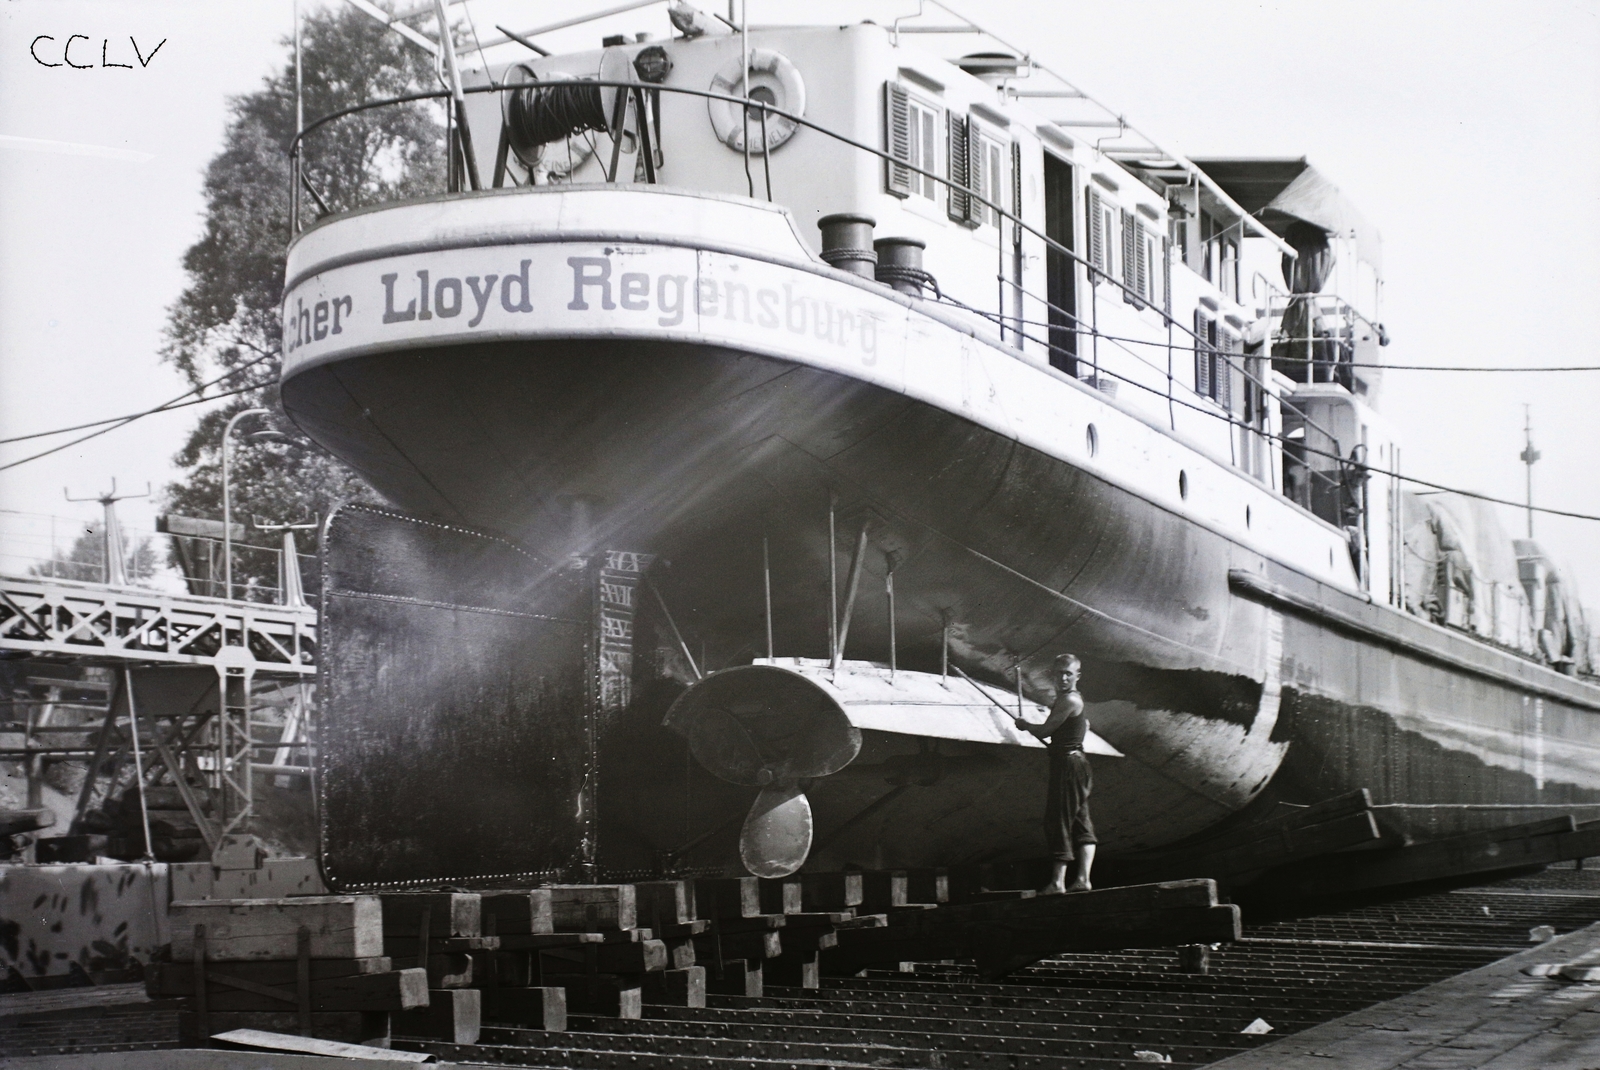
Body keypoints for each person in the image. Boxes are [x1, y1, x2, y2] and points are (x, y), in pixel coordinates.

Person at [1013, 653, 1096, 893]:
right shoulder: (1072, 699)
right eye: (1059, 673)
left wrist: (1026, 725)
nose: (1063, 678)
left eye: (1068, 673)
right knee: (1081, 822)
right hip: (1078, 764)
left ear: (1077, 676)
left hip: (1068, 767)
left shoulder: (1069, 700)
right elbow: (1082, 727)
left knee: (1057, 821)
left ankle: (1058, 883)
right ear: (1053, 674)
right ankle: (1082, 880)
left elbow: (1045, 730)